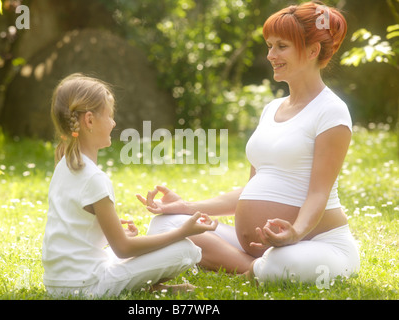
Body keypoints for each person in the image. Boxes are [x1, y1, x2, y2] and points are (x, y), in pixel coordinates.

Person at [138, 2, 360, 284]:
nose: (270, 55)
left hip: (315, 244)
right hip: (257, 245)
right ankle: (253, 267)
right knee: (164, 225)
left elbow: (318, 193)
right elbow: (252, 189)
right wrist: (186, 206)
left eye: (281, 46)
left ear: (313, 51)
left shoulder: (331, 111)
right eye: (269, 46)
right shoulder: (272, 109)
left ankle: (257, 266)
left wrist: (295, 233)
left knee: (283, 262)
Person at [42, 73, 218, 298]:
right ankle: (144, 287)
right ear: (89, 120)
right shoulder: (93, 177)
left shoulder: (64, 165)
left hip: (57, 284)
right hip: (85, 287)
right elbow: (123, 249)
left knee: (137, 253)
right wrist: (183, 231)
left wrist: (113, 235)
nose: (114, 123)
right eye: (110, 116)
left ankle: (152, 288)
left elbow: (74, 232)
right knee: (186, 250)